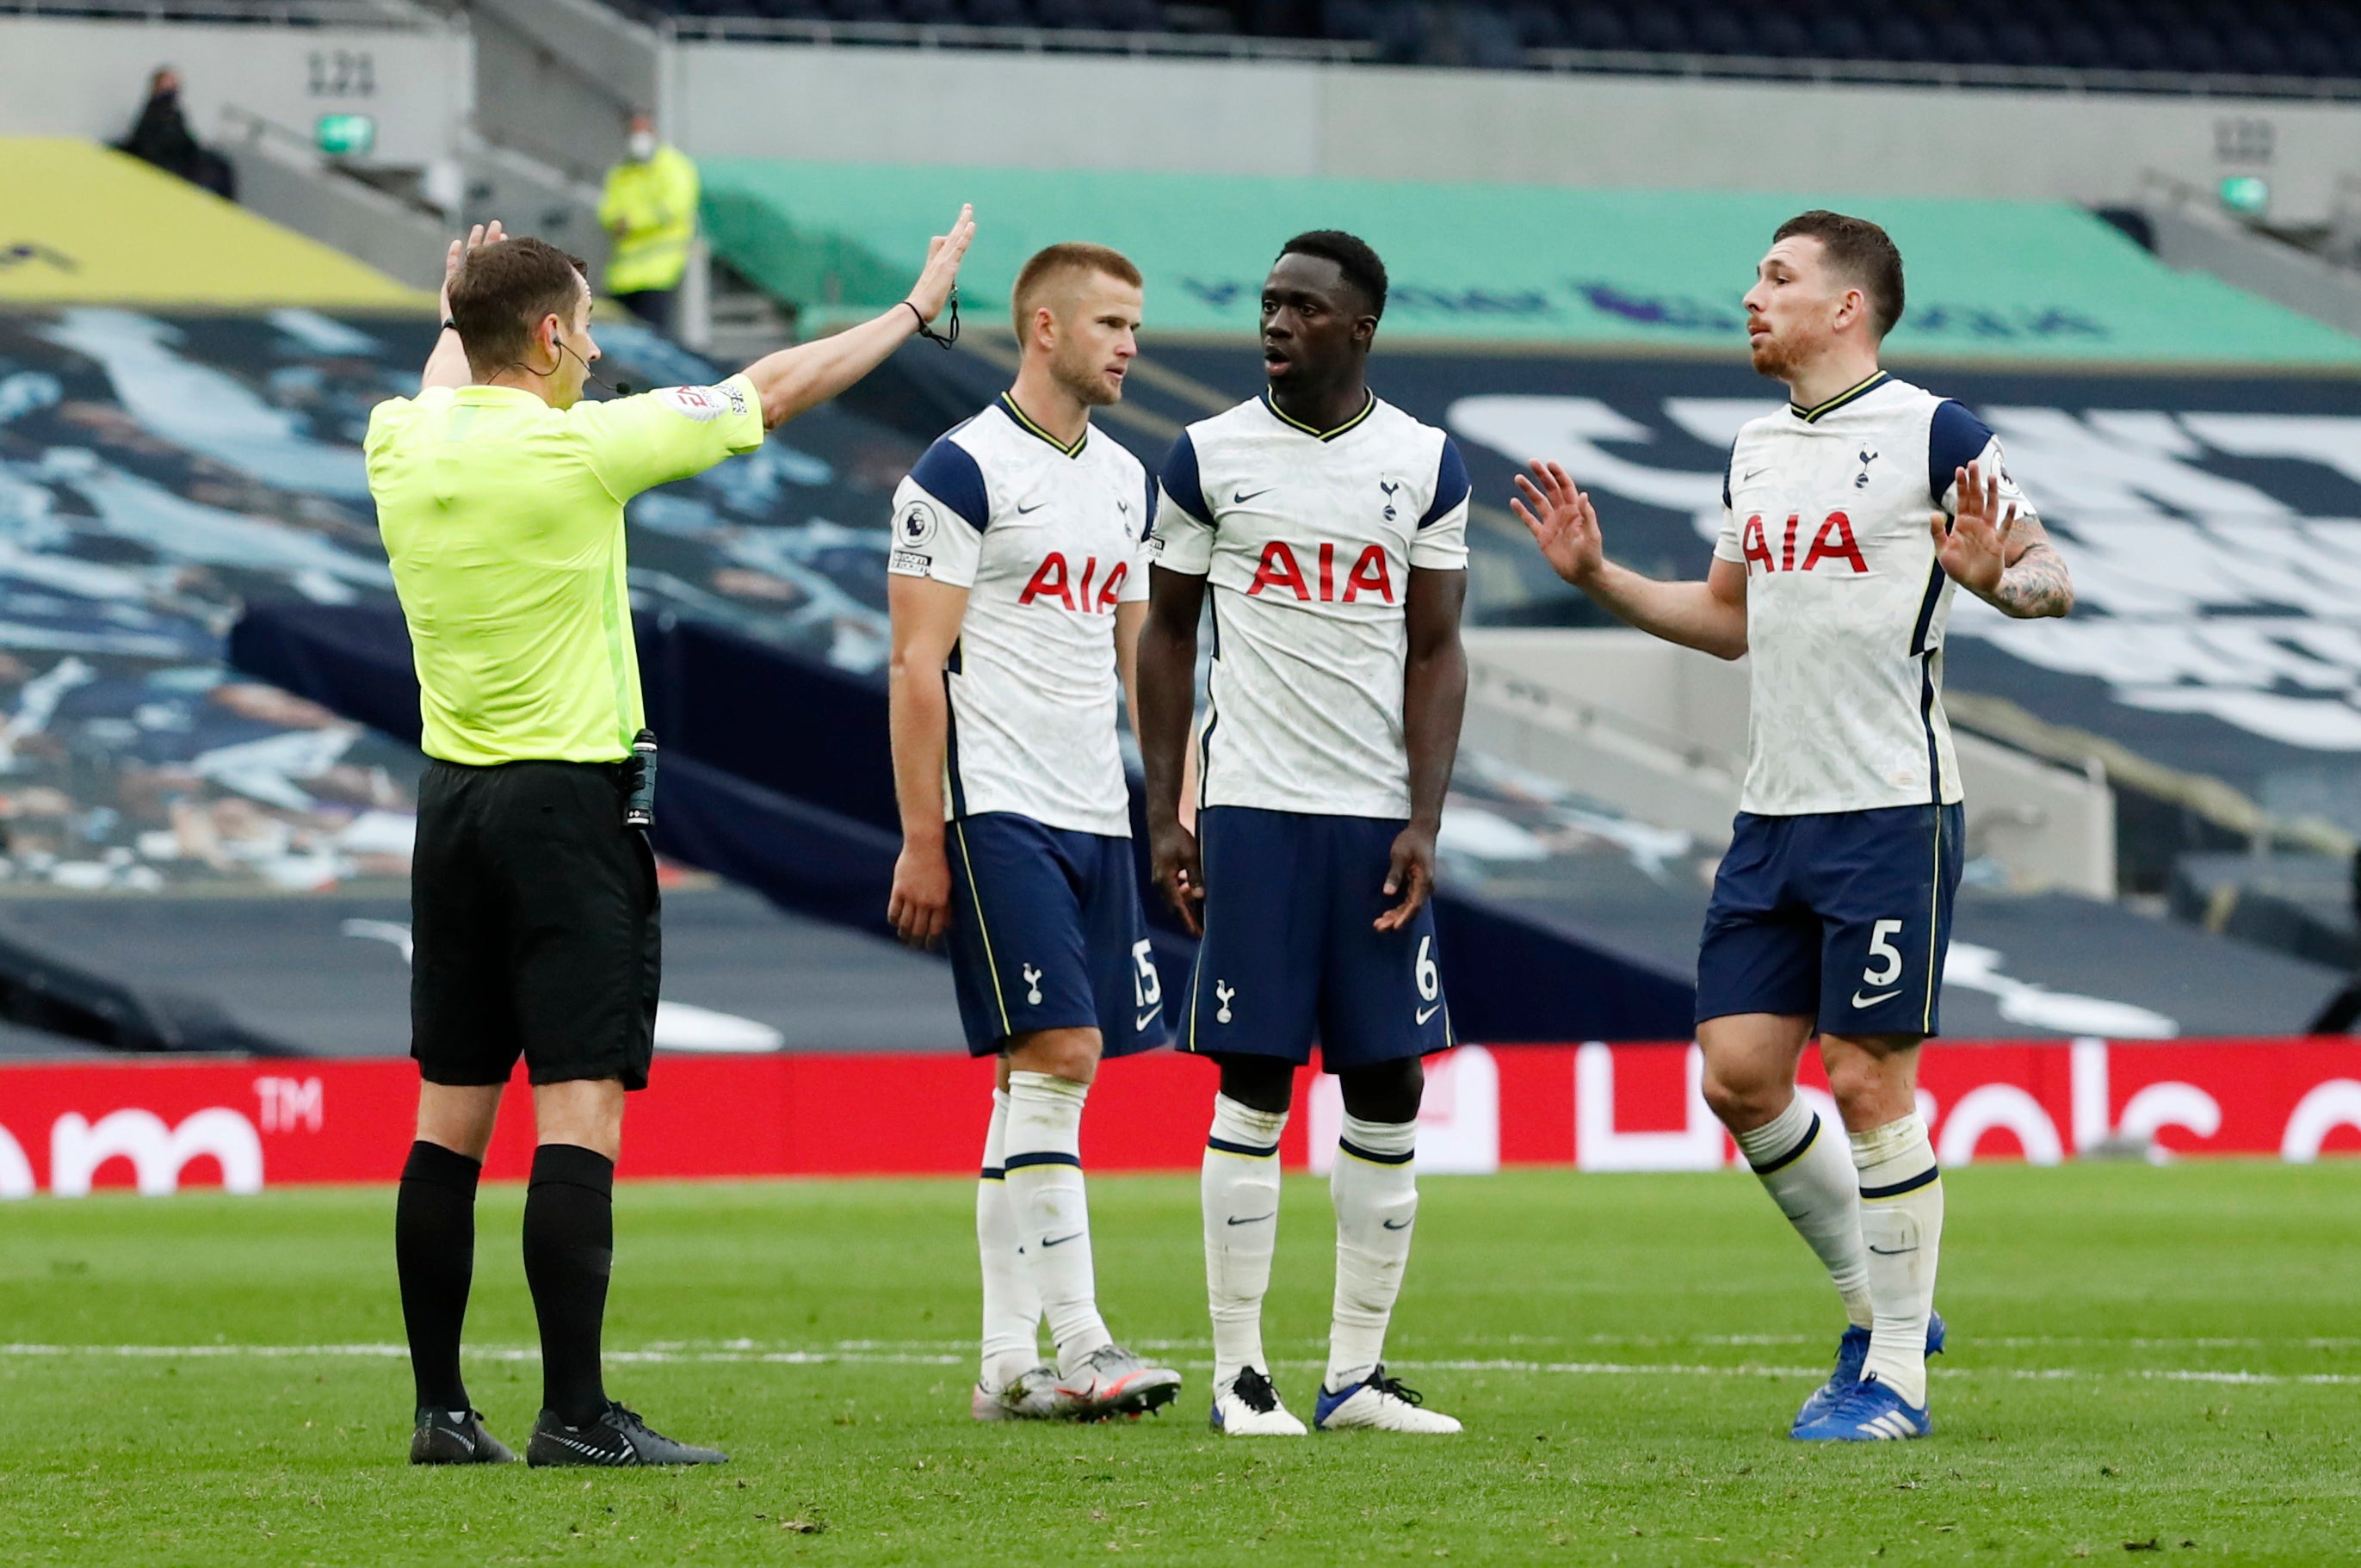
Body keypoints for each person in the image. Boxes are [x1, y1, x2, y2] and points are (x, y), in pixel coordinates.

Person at [368, 206, 973, 1467]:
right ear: (543, 337)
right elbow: (771, 386)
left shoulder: (398, 441)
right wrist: (912, 314)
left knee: (447, 1117)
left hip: (451, 807)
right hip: (566, 810)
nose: (594, 350)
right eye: (584, 327)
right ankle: (575, 1414)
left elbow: (446, 372)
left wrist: (454, 297)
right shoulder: (582, 452)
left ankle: (440, 1411)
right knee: (578, 1100)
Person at [1511, 210, 2075, 1442]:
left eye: (1776, 277)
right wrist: (1597, 578)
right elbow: (1729, 619)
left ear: (1846, 308)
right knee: (1738, 1076)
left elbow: (2047, 574)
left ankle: (1889, 1381)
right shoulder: (1755, 447)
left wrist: (1995, 582)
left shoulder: (1933, 430)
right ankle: (1883, 1303)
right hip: (1772, 811)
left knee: (1867, 1077)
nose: (1750, 294)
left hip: (1886, 803)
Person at [1138, 231, 1470, 1438]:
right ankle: (1241, 1374)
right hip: (1255, 811)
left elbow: (1434, 650)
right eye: (1267, 301)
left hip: (1374, 814)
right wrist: (1167, 807)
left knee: (1384, 1082)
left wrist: (1424, 816)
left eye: (1302, 307)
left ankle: (1353, 1375)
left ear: (1359, 328)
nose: (1274, 322)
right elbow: (1165, 635)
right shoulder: (1205, 455)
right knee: (1254, 1077)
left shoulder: (1424, 463)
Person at [884, 242, 1182, 1424]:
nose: (1127, 346)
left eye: (1135, 327)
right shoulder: (958, 472)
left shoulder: (1125, 480)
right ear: (1043, 329)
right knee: (1057, 1058)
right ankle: (1082, 1340)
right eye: (1109, 323)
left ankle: (1005, 1362)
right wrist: (922, 835)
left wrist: (1174, 807)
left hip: (1091, 812)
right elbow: (915, 664)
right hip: (993, 802)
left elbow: (1143, 662)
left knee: (1040, 1080)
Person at [596, 113, 699, 336]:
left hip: (660, 270)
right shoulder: (621, 172)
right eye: (634, 131)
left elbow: (674, 207)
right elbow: (606, 211)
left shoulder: (673, 166)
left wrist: (631, 222)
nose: (639, 137)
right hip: (622, 275)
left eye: (644, 130)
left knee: (653, 337)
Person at [118, 67, 235, 201]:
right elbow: (147, 140)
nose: (171, 88)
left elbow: (186, 140)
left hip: (183, 160)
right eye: (167, 83)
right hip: (166, 163)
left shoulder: (175, 114)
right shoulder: (154, 111)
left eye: (173, 84)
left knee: (222, 167)